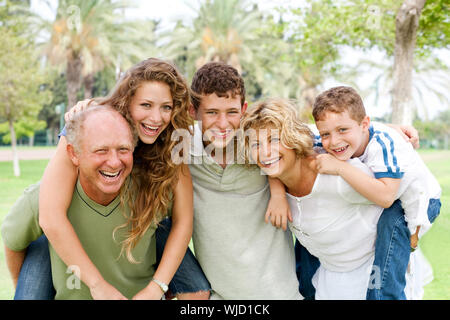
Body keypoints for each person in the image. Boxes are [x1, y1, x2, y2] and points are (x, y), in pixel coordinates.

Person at [15, 58, 210, 300]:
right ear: (127, 102)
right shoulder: (86, 126)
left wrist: (156, 287)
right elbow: (50, 216)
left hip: (145, 224)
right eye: (146, 105)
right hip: (70, 229)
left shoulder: (171, 143)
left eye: (166, 107)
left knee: (198, 291)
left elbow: (183, 220)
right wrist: (97, 286)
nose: (156, 118)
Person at [2, 105, 155, 299]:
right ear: (73, 154)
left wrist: (160, 286)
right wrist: (25, 292)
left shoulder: (152, 192)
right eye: (101, 150)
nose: (115, 162)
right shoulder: (42, 199)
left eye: (123, 149)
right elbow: (12, 241)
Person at [241, 98, 386, 299]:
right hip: (331, 279)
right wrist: (277, 193)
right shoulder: (275, 181)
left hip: (373, 277)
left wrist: (415, 231)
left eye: (274, 140)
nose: (265, 152)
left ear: (293, 138)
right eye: (256, 144)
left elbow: (398, 194)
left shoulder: (336, 176)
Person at [311, 86, 441, 299]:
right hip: (395, 195)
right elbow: (297, 135)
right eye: (325, 134)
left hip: (421, 201)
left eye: (343, 130)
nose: (333, 141)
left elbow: (387, 197)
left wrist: (341, 168)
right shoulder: (330, 140)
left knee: (390, 227)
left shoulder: (383, 143)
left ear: (364, 125)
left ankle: (386, 295)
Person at [185, 62, 301, 299]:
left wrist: (277, 193)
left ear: (244, 110)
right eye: (211, 113)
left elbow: (323, 132)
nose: (222, 123)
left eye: (231, 112)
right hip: (221, 295)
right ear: (193, 111)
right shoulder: (182, 148)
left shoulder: (259, 145)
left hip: (280, 293)